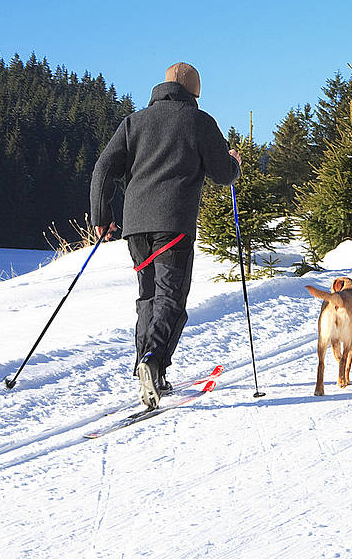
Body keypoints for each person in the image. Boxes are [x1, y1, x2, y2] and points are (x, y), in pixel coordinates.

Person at [90, 62, 241, 410]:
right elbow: (221, 174)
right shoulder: (199, 122)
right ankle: (153, 360)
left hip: (135, 227)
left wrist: (102, 215)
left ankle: (150, 370)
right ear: (195, 93)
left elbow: (103, 168)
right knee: (171, 299)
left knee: (147, 298)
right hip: (173, 225)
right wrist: (233, 163)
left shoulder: (134, 122)